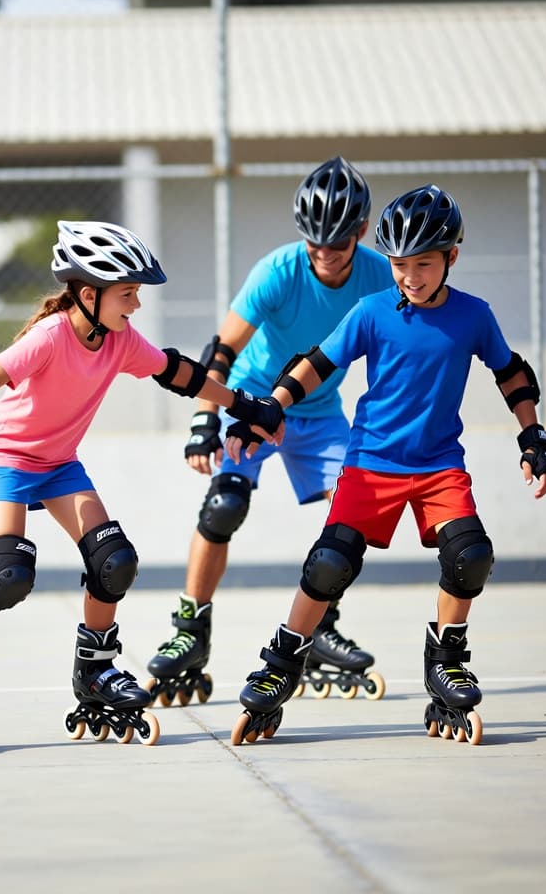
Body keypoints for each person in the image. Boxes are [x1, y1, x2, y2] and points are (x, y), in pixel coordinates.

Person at [0, 220, 283, 756]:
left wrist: (245, 406)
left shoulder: (119, 340)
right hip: (9, 460)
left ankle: (96, 670)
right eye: (128, 294)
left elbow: (180, 374)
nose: (137, 305)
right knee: (8, 572)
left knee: (114, 562)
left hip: (59, 465)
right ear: (89, 294)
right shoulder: (50, 336)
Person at [226, 183, 546, 747]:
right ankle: (281, 663)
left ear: (452, 257)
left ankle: (446, 660)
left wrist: (533, 436)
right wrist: (271, 406)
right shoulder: (372, 311)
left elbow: (511, 373)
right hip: (371, 462)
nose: (409, 276)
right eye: (400, 264)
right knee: (329, 564)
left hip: (438, 466)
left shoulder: (473, 316)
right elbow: (315, 362)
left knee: (470, 556)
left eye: (423, 264)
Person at [145, 157, 394, 707]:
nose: (324, 254)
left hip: (320, 410)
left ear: (360, 231)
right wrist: (205, 419)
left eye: (336, 243)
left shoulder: (381, 276)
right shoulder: (278, 271)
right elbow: (222, 349)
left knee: (351, 515)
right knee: (224, 507)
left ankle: (319, 626)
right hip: (253, 404)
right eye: (314, 242)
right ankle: (190, 629)